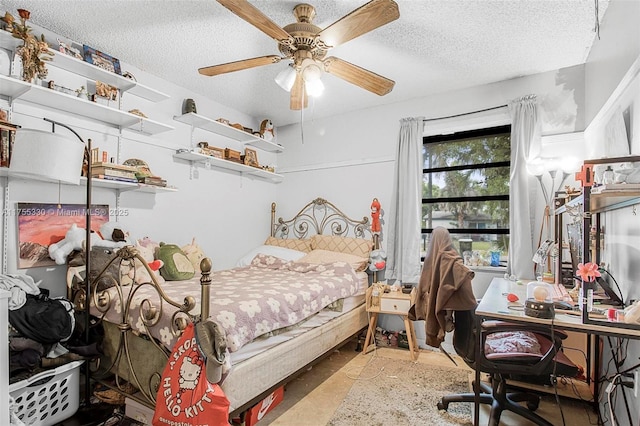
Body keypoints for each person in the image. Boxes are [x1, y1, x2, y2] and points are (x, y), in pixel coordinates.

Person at [411, 227, 477, 348]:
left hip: (440, 302)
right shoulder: (450, 257)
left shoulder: (435, 258)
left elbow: (425, 284)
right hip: (449, 304)